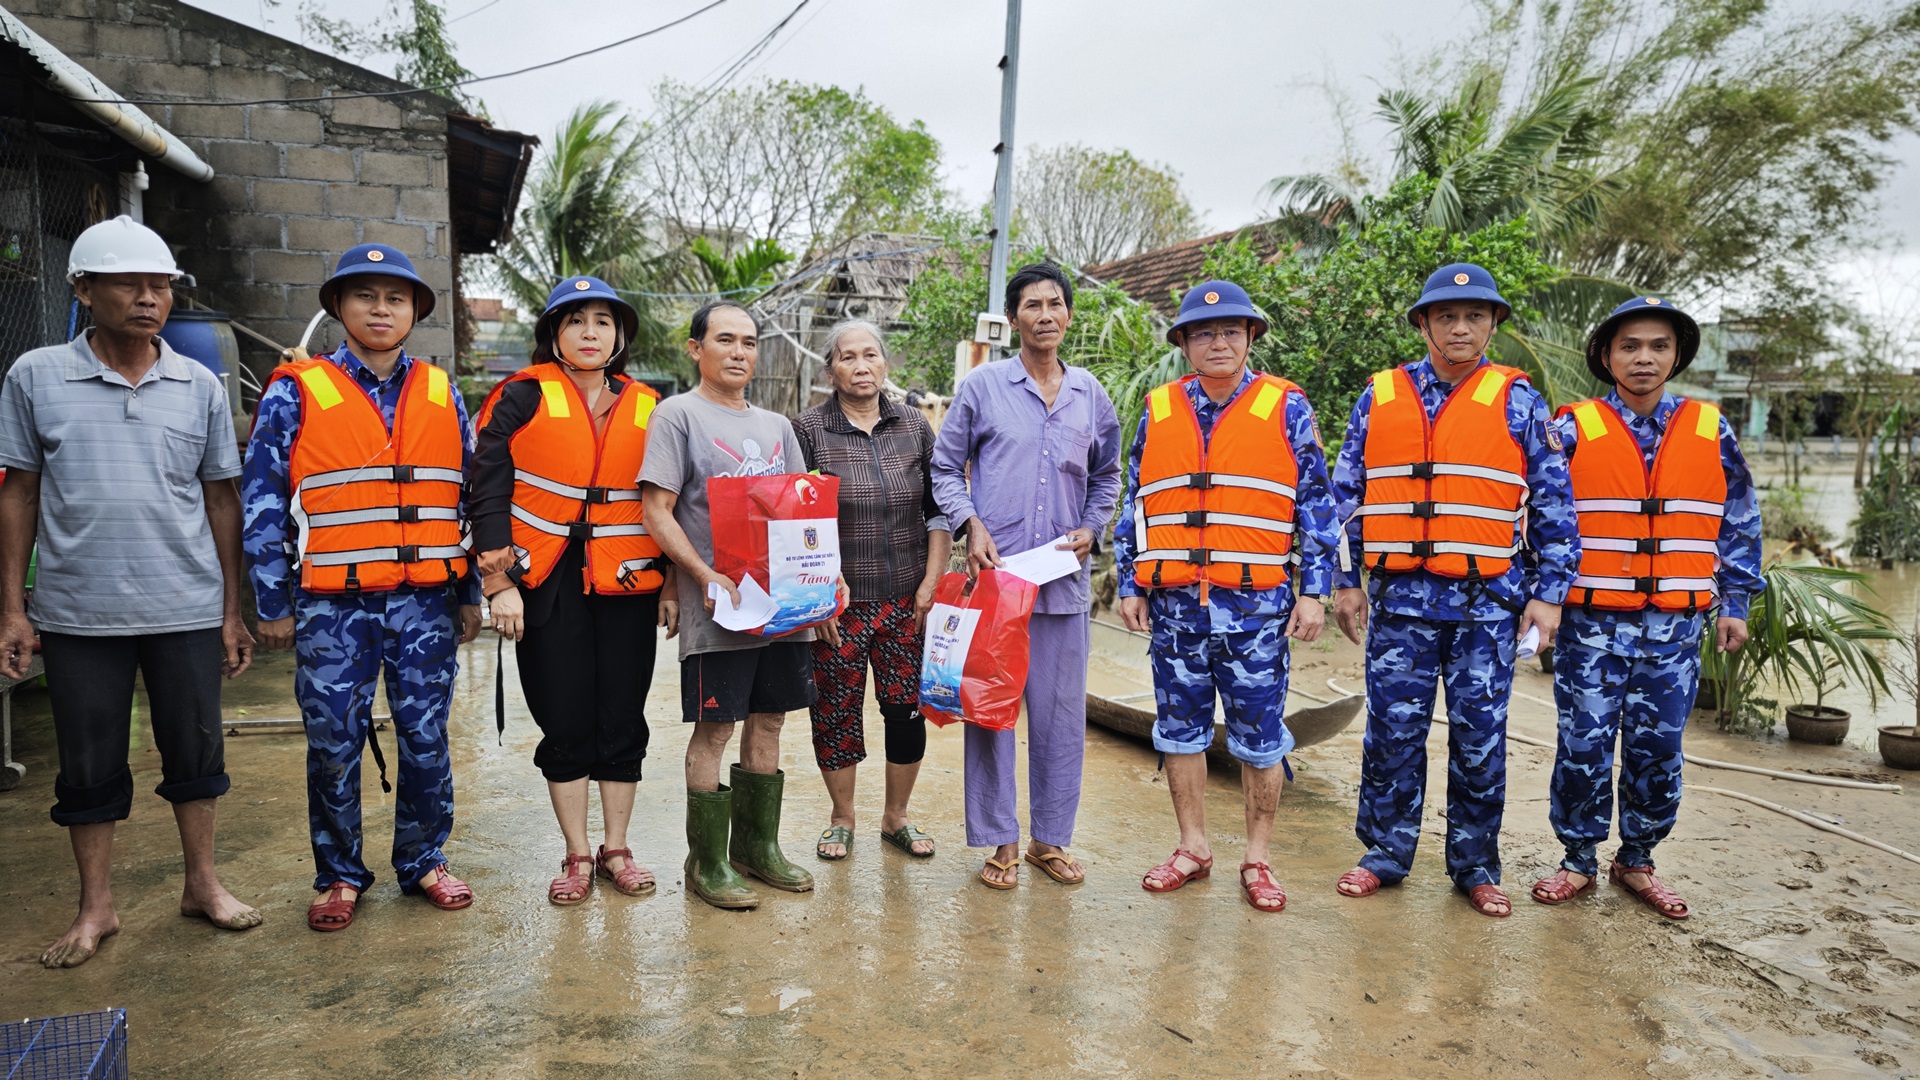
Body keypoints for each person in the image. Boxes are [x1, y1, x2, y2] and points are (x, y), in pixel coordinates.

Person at [0, 216, 260, 969]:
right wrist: (13, 607)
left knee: (196, 753)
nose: (150, 299)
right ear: (85, 290)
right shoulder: (36, 376)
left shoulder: (199, 385)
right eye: (131, 284)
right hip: (79, 612)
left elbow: (221, 499)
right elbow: (17, 493)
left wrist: (229, 612)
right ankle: (96, 907)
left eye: (161, 286)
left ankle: (203, 885)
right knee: (87, 766)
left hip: (182, 606)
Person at [243, 244, 482, 932]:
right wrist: (272, 603)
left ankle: (424, 859)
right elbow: (263, 500)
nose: (382, 310)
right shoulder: (295, 389)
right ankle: (339, 873)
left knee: (427, 737)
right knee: (334, 743)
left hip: (426, 604)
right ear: (339, 308)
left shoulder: (442, 391)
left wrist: (467, 595)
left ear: (414, 312)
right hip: (330, 607)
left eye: (396, 298)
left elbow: (464, 502)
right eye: (366, 297)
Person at [1329, 263, 1578, 918]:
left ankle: (1475, 864)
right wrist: (1345, 581)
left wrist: (1548, 596)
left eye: (1474, 316)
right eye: (1446, 316)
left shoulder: (1521, 401)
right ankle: (1384, 852)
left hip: (1487, 607)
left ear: (1493, 323)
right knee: (1392, 734)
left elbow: (1554, 507)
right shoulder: (1379, 397)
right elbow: (1344, 499)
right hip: (1401, 605)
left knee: (1479, 738)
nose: (1460, 327)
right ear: (1424, 324)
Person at [1530, 297, 1760, 920]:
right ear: (1606, 356)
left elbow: (1738, 519)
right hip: (1592, 625)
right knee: (1584, 743)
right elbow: (1543, 519)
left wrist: (1736, 600)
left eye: (1658, 346)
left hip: (1676, 629)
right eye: (1629, 346)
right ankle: (1577, 858)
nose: (1643, 358)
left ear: (1677, 356)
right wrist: (1542, 598)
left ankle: (1638, 859)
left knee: (1658, 748)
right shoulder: (1571, 427)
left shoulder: (1712, 428)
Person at [1113, 280, 1339, 913]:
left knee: (1262, 738)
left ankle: (1258, 858)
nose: (1219, 342)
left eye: (1231, 331)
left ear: (1250, 338)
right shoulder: (1158, 410)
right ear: (1184, 342)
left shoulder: (1287, 407)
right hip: (1177, 608)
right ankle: (1192, 847)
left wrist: (1314, 592)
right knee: (1179, 732)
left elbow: (1318, 507)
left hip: (1256, 610)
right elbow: (1138, 504)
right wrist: (1131, 579)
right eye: (1205, 332)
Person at [472, 276, 678, 905]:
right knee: (563, 717)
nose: (591, 333)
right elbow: (485, 485)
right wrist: (497, 580)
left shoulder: (652, 405)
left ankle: (616, 848)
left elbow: (673, 499)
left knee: (622, 714)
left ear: (620, 336)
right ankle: (576, 853)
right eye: (576, 321)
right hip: (544, 579)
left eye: (604, 322)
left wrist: (669, 581)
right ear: (554, 333)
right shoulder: (521, 395)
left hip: (626, 580)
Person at [931, 262, 1123, 890]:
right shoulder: (984, 387)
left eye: (1055, 304)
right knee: (991, 714)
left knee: (1060, 717)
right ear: (1013, 318)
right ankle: (1000, 842)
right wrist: (970, 524)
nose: (1045, 315)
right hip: (996, 582)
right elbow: (943, 467)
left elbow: (1108, 476)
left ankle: (1048, 841)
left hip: (1062, 587)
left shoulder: (1089, 394)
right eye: (1032, 305)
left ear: (1068, 315)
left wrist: (1093, 526)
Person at [640, 301, 835, 910]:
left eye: (749, 342)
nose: (739, 352)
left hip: (781, 607)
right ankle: (709, 860)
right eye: (725, 340)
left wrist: (824, 586)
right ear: (696, 349)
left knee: (771, 720)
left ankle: (758, 847)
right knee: (716, 728)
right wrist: (700, 575)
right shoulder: (677, 416)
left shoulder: (778, 427)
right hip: (719, 608)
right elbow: (656, 510)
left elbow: (801, 510)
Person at [792, 319, 951, 861]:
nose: (860, 366)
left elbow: (937, 510)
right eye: (847, 357)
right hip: (839, 604)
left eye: (870, 355)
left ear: (885, 362)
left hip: (907, 599)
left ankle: (896, 817)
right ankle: (842, 818)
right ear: (830, 369)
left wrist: (931, 582)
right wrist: (815, 593)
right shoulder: (809, 430)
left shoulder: (913, 425)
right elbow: (795, 519)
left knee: (905, 710)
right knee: (835, 711)